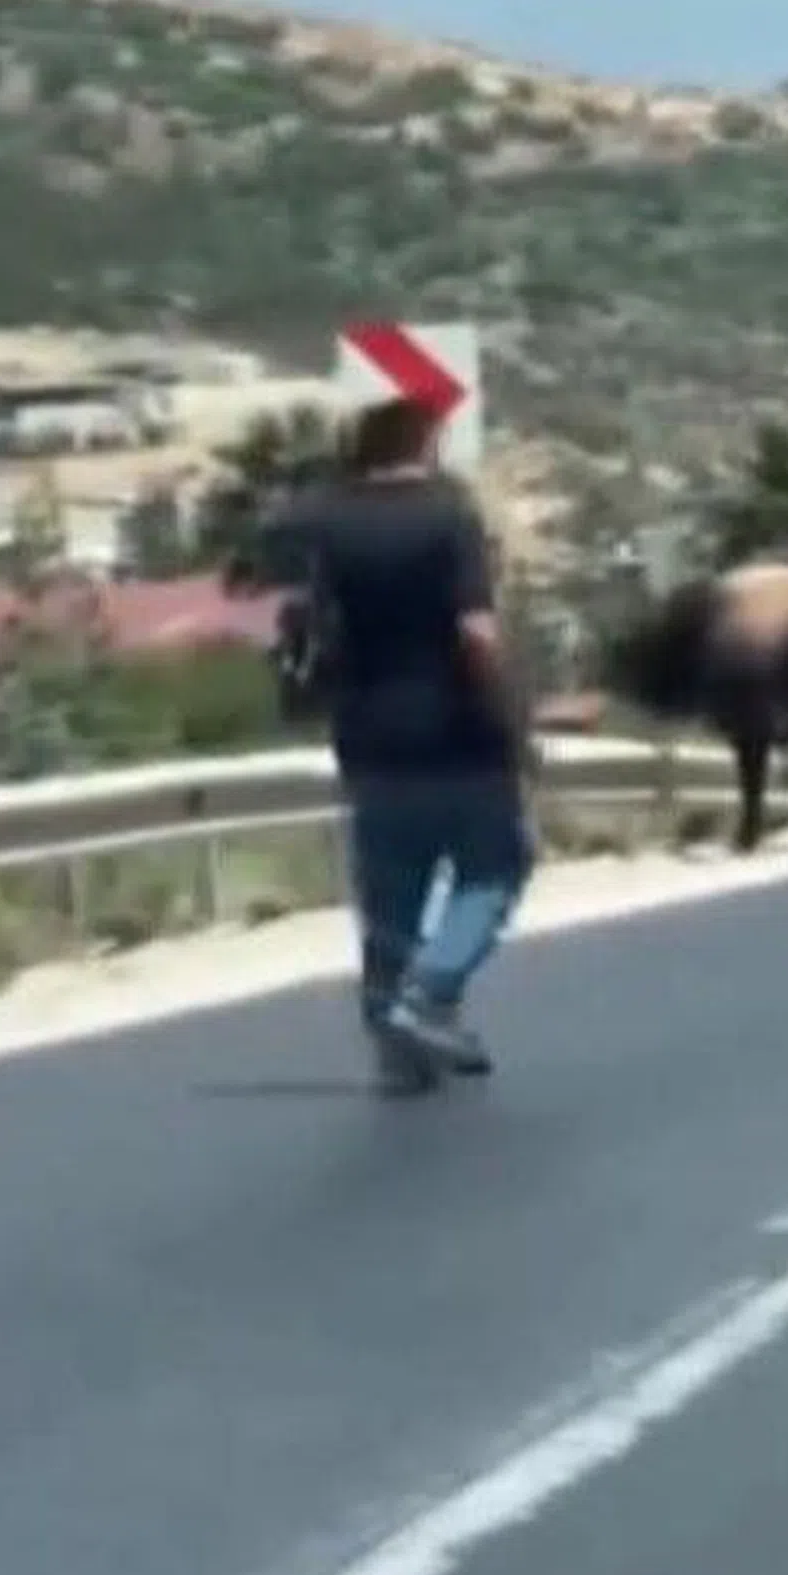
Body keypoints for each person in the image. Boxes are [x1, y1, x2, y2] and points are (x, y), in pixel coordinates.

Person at [263, 392, 535, 1088]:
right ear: (425, 445)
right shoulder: (449, 519)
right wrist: (512, 714)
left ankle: (397, 1053)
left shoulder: (320, 520)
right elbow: (475, 633)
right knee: (493, 870)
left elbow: (286, 611)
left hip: (366, 735)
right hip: (458, 730)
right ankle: (431, 991)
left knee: (390, 896)